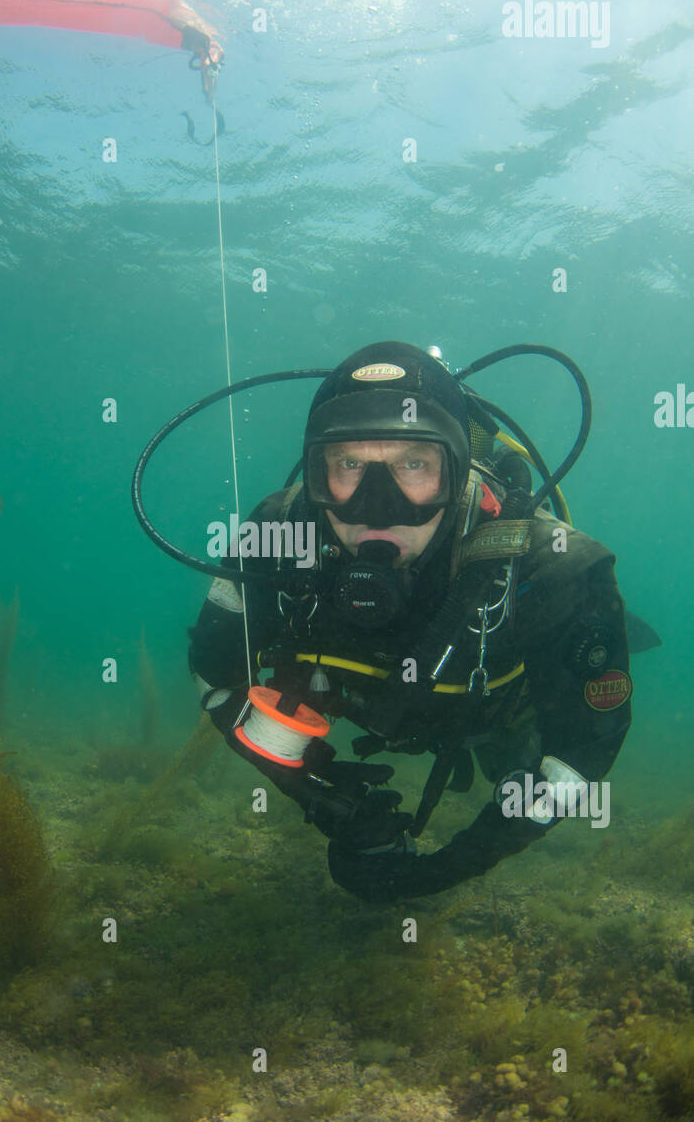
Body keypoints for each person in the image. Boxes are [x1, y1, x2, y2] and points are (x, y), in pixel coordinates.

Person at [188, 342, 634, 902]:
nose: (379, 507)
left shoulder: (552, 569)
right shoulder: (276, 538)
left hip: (492, 710)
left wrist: (445, 869)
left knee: (516, 760)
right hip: (372, 700)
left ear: (459, 468)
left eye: (414, 465)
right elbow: (213, 673)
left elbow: (581, 750)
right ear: (315, 468)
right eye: (349, 465)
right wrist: (311, 785)